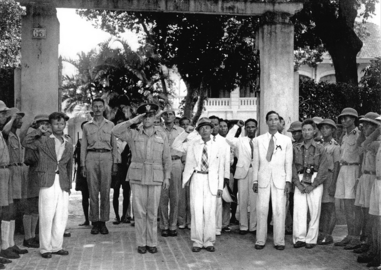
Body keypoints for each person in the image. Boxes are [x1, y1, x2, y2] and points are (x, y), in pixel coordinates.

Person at [112, 103, 171, 254]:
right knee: (139, 211)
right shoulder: (133, 134)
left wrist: (167, 177)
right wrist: (132, 121)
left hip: (156, 175)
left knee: (152, 212)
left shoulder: (162, 135)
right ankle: (141, 242)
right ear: (140, 118)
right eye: (144, 116)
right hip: (137, 176)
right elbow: (114, 131)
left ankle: (152, 242)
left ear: (155, 118)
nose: (147, 119)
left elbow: (167, 158)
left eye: (150, 116)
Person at [22, 112, 73, 259]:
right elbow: (25, 142)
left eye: (61, 123)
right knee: (46, 215)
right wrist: (39, 130)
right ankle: (45, 248)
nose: (59, 126)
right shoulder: (42, 140)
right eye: (56, 123)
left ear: (65, 125)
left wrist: (69, 185)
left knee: (61, 215)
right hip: (47, 180)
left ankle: (57, 246)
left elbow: (69, 165)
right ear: (50, 125)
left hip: (62, 181)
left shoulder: (68, 142)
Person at [172, 118, 224, 252]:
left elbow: (221, 167)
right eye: (201, 128)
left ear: (212, 130)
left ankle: (208, 241)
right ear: (198, 130)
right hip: (196, 177)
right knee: (196, 209)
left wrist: (220, 186)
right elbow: (175, 145)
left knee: (210, 211)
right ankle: (197, 241)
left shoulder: (218, 145)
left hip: (211, 180)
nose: (205, 130)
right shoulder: (192, 143)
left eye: (207, 127)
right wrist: (185, 132)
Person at [252, 111, 293, 250]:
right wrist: (255, 181)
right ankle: (260, 240)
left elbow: (288, 162)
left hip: (280, 179)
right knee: (262, 209)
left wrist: (288, 181)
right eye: (271, 119)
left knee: (279, 210)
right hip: (263, 178)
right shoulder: (258, 140)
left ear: (279, 122)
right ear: (266, 122)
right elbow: (256, 162)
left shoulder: (286, 140)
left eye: (276, 119)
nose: (273, 122)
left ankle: (279, 241)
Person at [81, 98, 119, 235]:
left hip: (106, 157)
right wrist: (82, 164)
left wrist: (115, 163)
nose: (97, 109)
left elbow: (115, 145)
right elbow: (83, 146)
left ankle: (103, 222)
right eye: (95, 106)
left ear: (104, 108)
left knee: (105, 191)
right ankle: (94, 222)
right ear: (92, 108)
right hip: (91, 157)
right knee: (92, 191)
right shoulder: (86, 126)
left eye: (100, 106)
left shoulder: (111, 125)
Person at [292, 119, 328, 249]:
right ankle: (299, 238)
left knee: (314, 210)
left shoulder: (320, 148)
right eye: (304, 130)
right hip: (300, 178)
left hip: (315, 179)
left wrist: (313, 185)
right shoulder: (296, 148)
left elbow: (324, 169)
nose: (306, 132)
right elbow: (291, 167)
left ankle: (311, 239)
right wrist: (298, 183)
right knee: (299, 210)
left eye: (309, 130)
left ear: (314, 131)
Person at [1, 107, 28, 258]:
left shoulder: (15, 135)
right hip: (8, 171)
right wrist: (10, 119)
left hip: (15, 172)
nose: (20, 121)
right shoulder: (6, 134)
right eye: (17, 118)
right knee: (8, 209)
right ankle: (5, 245)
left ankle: (10, 243)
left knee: (14, 209)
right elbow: (5, 131)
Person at [353, 113, 380, 255]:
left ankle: (371, 244)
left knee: (372, 214)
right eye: (363, 126)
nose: (364, 129)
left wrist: (373, 134)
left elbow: (364, 146)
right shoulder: (367, 140)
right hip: (365, 177)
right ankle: (366, 241)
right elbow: (359, 149)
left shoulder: (376, 142)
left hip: (373, 177)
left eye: (368, 126)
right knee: (364, 211)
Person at [335, 108, 361, 249]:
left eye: (347, 118)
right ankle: (350, 235)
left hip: (354, 169)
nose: (344, 121)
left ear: (354, 119)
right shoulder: (343, 136)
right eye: (342, 118)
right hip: (344, 169)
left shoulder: (359, 134)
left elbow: (362, 156)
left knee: (353, 207)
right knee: (346, 206)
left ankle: (356, 237)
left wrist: (359, 178)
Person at [23, 114, 51, 248]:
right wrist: (38, 131)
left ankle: (35, 236)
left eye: (46, 122)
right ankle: (28, 237)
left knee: (40, 208)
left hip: (45, 175)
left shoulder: (49, 138)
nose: (44, 125)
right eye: (41, 123)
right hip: (34, 173)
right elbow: (25, 142)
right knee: (31, 205)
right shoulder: (34, 137)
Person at [226, 119, 258, 234]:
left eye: (253, 127)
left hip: (256, 173)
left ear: (256, 128)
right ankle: (243, 226)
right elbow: (228, 139)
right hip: (242, 172)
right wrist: (236, 127)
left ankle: (253, 226)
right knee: (243, 200)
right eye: (248, 127)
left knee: (254, 201)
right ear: (245, 129)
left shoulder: (260, 140)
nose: (250, 129)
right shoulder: (240, 140)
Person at [159, 108, 184, 237]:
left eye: (170, 114)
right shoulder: (157, 130)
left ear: (175, 117)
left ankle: (173, 225)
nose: (168, 117)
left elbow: (186, 149)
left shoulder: (181, 132)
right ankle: (163, 225)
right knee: (162, 196)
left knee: (175, 196)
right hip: (161, 164)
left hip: (176, 162)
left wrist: (184, 165)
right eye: (165, 114)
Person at [317, 119, 340, 245]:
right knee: (321, 206)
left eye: (327, 128)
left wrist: (333, 184)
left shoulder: (335, 146)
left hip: (330, 176)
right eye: (322, 128)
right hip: (320, 177)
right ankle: (322, 232)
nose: (324, 130)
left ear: (332, 130)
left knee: (329, 207)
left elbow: (337, 165)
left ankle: (328, 234)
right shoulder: (319, 145)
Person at [209, 116, 230, 236]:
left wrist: (225, 177)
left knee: (218, 202)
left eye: (216, 124)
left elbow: (226, 160)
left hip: (219, 176)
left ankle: (217, 227)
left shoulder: (223, 141)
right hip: (206, 175)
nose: (214, 127)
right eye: (212, 124)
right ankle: (208, 226)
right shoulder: (204, 139)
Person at [111, 118, 132, 225]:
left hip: (127, 168)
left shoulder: (130, 139)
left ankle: (125, 215)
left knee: (126, 193)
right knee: (115, 192)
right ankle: (116, 216)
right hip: (116, 168)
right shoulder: (113, 139)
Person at [74, 121, 90, 226]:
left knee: (93, 197)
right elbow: (75, 156)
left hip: (93, 170)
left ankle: (95, 219)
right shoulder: (79, 141)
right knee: (84, 197)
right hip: (82, 171)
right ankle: (87, 219)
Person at [178, 117, 191, 229]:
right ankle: (181, 220)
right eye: (183, 124)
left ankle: (191, 221)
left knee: (191, 197)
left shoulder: (194, 138)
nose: (185, 126)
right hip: (180, 168)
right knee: (181, 197)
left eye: (187, 124)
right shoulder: (179, 138)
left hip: (192, 170)